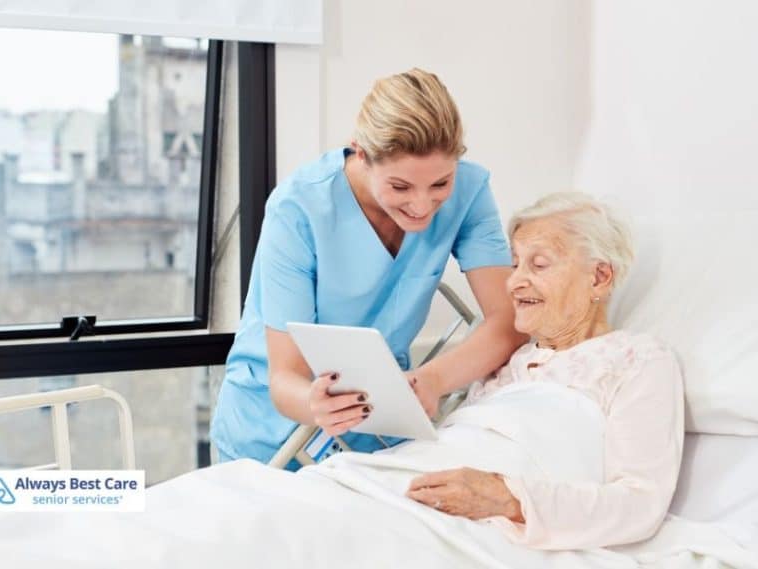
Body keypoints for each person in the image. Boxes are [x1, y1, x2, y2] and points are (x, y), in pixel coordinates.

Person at [211, 68, 526, 466]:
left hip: (378, 426)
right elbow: (283, 377)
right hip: (268, 430)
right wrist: (314, 404)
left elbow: (508, 322)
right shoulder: (298, 209)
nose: (422, 206)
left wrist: (434, 379)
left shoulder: (469, 192)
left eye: (440, 184)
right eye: (400, 187)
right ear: (361, 153)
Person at [399, 192, 686, 548]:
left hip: (484, 526)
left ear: (598, 277)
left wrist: (508, 498)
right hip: (408, 482)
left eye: (538, 265)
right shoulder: (508, 359)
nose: (514, 282)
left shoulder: (637, 360)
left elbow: (640, 503)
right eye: (515, 263)